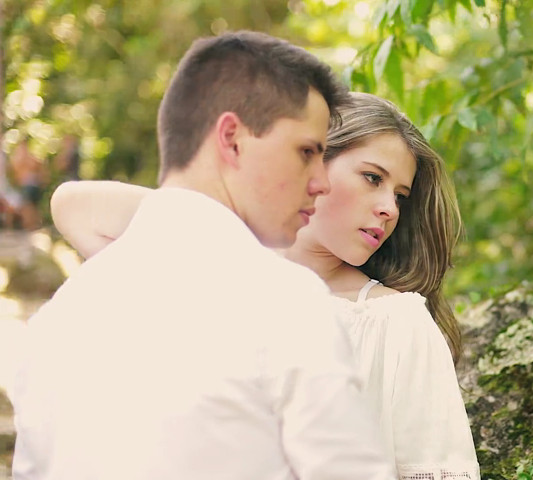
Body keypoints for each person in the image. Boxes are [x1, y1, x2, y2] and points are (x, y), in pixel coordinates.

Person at [10, 31, 396, 480]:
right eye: (306, 152)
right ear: (232, 138)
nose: (321, 181)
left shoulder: (57, 321)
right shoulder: (282, 301)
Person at [50, 93, 481, 478]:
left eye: (400, 195)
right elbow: (75, 207)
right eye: (373, 178)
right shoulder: (221, 269)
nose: (389, 208)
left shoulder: (395, 323)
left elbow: (433, 468)